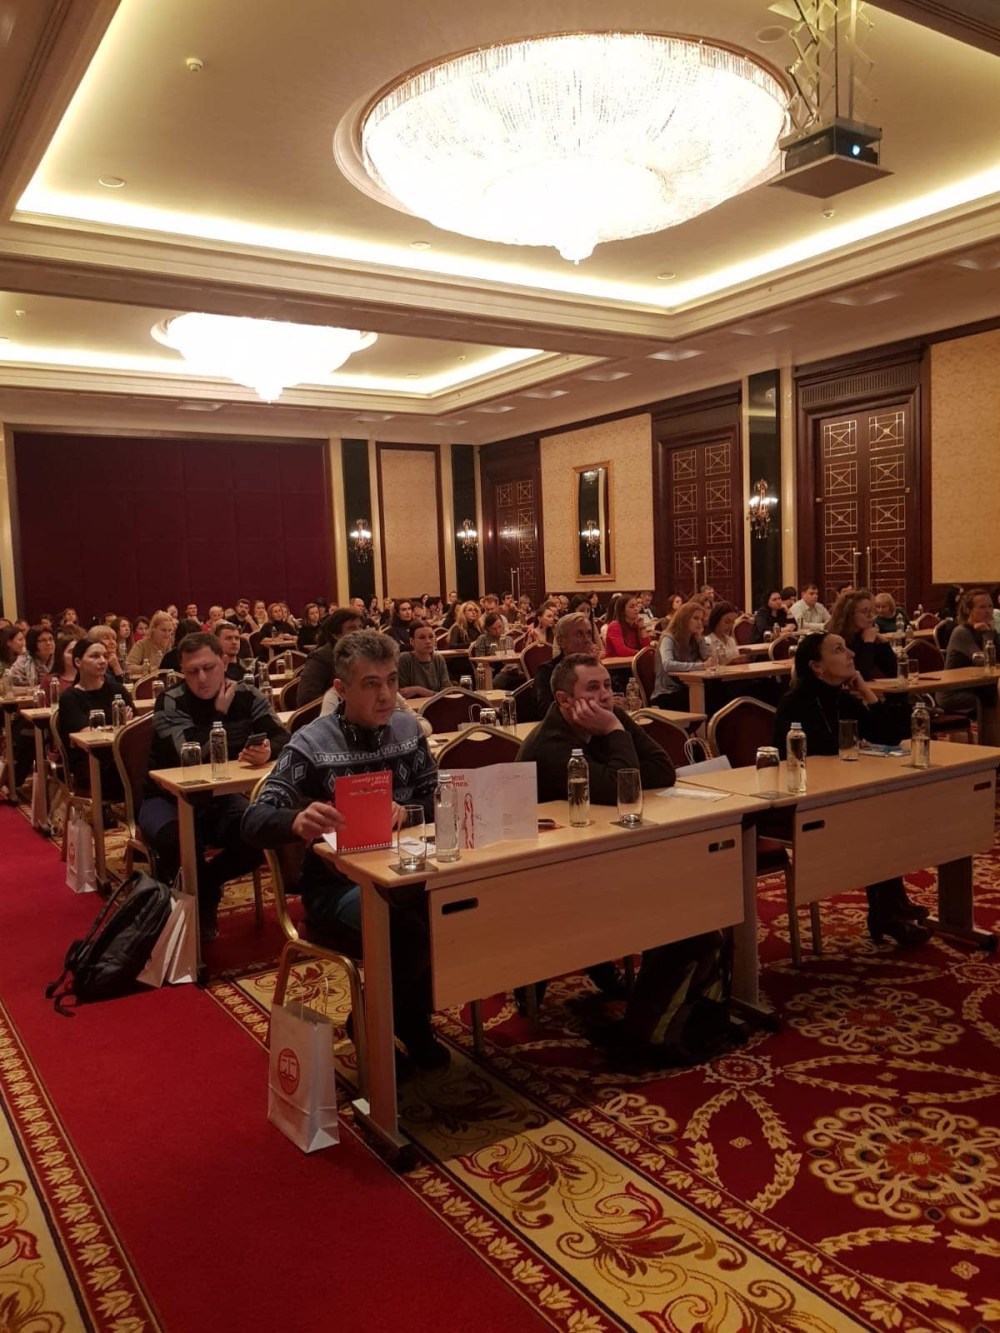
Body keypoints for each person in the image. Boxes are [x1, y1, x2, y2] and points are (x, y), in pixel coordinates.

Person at [242, 630, 446, 1071]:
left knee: (458, 910)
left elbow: (438, 798)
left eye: (391, 681)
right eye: (371, 684)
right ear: (341, 689)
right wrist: (295, 820)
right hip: (336, 889)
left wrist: (410, 810)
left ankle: (406, 1019)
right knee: (408, 929)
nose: (386, 695)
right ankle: (377, 1024)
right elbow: (254, 819)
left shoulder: (408, 729)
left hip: (408, 871)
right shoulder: (312, 743)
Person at [517, 654, 688, 1050]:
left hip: (600, 846)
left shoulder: (610, 717)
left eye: (608, 685)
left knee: (675, 873)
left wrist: (614, 728)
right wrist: (613, 731)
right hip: (544, 865)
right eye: (592, 688)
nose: (606, 696)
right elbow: (618, 790)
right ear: (564, 700)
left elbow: (662, 770)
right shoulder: (550, 743)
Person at [775, 633, 930, 947]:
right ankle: (889, 910)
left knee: (888, 811)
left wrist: (866, 691)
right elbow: (803, 756)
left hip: (845, 789)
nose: (851, 654)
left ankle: (888, 909)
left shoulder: (843, 698)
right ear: (817, 667)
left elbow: (890, 735)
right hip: (807, 798)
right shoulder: (794, 703)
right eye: (839, 650)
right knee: (879, 817)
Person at [139, 632, 290, 937]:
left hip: (221, 799)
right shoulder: (171, 700)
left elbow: (283, 737)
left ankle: (206, 886)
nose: (202, 678)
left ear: (223, 662)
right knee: (180, 841)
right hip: (166, 799)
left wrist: (267, 751)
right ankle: (193, 913)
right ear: (182, 671)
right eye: (192, 671)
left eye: (208, 667)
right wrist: (219, 714)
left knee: (263, 829)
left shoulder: (248, 694)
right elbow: (187, 753)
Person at [56, 638, 132, 797]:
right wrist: (120, 726)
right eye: (95, 656)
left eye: (105, 656)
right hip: (89, 760)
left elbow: (136, 728)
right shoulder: (70, 698)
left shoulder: (118, 690)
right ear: (78, 662)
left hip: (121, 753)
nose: (103, 661)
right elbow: (89, 738)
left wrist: (121, 728)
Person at [942, 587, 1000, 717]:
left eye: (990, 606)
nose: (988, 611)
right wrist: (987, 633)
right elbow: (987, 663)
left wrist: (990, 632)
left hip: (978, 687)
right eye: (982, 607)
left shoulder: (989, 629)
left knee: (991, 692)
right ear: (968, 610)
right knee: (991, 696)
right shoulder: (961, 632)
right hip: (954, 692)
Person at [532, 612, 603, 716]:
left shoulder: (595, 667)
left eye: (588, 634)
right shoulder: (547, 671)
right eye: (579, 634)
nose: (587, 640)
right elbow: (547, 710)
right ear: (561, 641)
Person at [651, 600, 716, 709]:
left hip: (688, 686)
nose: (700, 623)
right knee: (708, 699)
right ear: (684, 619)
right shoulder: (668, 638)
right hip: (668, 692)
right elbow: (668, 665)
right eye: (695, 618)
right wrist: (702, 666)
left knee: (717, 691)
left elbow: (708, 659)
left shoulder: (693, 639)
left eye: (701, 619)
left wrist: (700, 639)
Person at [827, 590, 898, 680]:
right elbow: (860, 676)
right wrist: (868, 643)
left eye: (871, 611)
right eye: (865, 612)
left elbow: (894, 672)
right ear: (850, 615)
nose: (870, 616)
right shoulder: (838, 640)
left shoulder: (867, 634)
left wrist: (884, 643)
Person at [397, 621, 450, 698]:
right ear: (412, 641)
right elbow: (403, 694)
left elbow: (447, 693)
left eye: (431, 637)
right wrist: (434, 694)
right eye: (422, 638)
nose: (428, 641)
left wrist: (418, 690)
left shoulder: (438, 659)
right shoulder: (405, 659)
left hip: (438, 704)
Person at [9, 624, 56, 688]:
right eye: (43, 640)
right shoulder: (23, 661)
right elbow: (9, 684)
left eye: (51, 639)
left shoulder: (59, 658)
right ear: (33, 643)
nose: (49, 643)